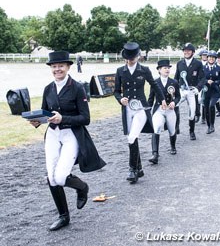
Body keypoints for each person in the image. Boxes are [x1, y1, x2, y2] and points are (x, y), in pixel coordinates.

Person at [30, 51, 106, 231]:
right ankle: (63, 216)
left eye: (61, 66)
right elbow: (45, 113)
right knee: (51, 177)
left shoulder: (77, 88)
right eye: (54, 66)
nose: (57, 69)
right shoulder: (48, 88)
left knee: (61, 176)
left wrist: (63, 118)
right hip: (53, 135)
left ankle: (82, 187)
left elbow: (85, 118)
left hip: (71, 134)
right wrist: (37, 122)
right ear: (51, 68)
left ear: (68, 67)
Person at [114, 42, 167, 183]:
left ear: (138, 56)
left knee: (131, 137)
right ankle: (140, 169)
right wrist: (121, 99)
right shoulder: (120, 71)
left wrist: (162, 99)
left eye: (133, 57)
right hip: (127, 109)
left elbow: (154, 85)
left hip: (141, 109)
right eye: (129, 57)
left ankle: (132, 169)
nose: (131, 60)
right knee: (133, 137)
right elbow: (116, 91)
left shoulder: (144, 70)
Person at [148, 59, 180, 163]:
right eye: (164, 68)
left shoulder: (174, 82)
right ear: (159, 70)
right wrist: (147, 111)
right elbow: (151, 99)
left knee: (172, 130)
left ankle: (173, 146)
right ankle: (155, 154)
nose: (167, 70)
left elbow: (178, 96)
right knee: (156, 128)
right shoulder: (154, 82)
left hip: (170, 110)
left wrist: (174, 102)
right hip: (159, 109)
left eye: (168, 68)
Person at [174, 43, 206, 140]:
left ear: (193, 52)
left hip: (192, 90)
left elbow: (203, 78)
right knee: (175, 105)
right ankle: (176, 126)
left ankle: (191, 131)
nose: (186, 52)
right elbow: (176, 77)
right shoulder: (180, 63)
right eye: (185, 50)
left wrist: (198, 88)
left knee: (192, 113)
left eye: (188, 50)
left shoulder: (198, 64)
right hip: (181, 90)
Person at [203, 51, 220, 134]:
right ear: (207, 58)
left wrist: (215, 82)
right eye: (209, 57)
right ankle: (208, 126)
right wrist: (206, 81)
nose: (211, 59)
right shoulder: (203, 68)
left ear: (215, 59)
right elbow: (200, 78)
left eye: (213, 57)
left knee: (212, 106)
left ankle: (212, 125)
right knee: (206, 108)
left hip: (215, 90)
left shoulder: (218, 69)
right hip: (206, 91)